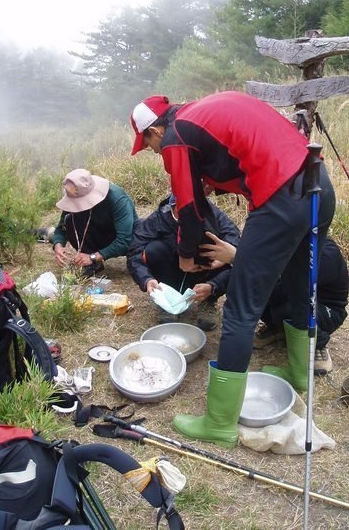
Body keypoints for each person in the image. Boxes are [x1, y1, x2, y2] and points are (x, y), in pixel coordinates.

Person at [130, 91, 336, 449]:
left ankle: (219, 424)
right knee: (299, 281)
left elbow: (189, 207)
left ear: (155, 130)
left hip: (279, 199)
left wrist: (185, 254)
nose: (151, 150)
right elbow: (240, 151)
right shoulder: (201, 112)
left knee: (241, 309)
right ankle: (300, 374)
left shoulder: (175, 137)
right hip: (317, 183)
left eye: (146, 142)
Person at [200, 233, 349, 374]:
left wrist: (238, 259)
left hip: (326, 310)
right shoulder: (284, 245)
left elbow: (288, 288)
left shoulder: (326, 254)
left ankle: (318, 344)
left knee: (284, 308)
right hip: (293, 294)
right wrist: (214, 286)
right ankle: (277, 328)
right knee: (257, 290)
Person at [127, 194, 240, 331]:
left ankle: (208, 300)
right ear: (173, 208)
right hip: (174, 269)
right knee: (154, 250)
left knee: (228, 256)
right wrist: (146, 279)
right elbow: (135, 252)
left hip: (205, 270)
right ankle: (169, 299)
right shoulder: (159, 218)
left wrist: (218, 267)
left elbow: (237, 246)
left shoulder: (213, 214)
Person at [51, 169, 137, 277]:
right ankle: (94, 264)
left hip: (118, 237)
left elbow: (125, 239)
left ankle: (95, 259)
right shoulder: (75, 197)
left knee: (136, 263)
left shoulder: (117, 199)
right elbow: (61, 228)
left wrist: (93, 256)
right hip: (95, 233)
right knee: (69, 219)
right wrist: (58, 245)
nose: (78, 205)